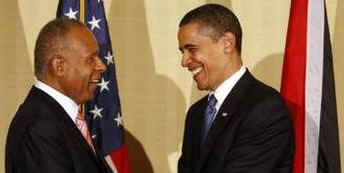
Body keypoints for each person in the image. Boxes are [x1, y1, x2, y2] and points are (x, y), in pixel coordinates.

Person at [177, 4, 294, 173]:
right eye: (182, 51)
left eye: (192, 49)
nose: (184, 61)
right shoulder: (196, 113)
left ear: (227, 43)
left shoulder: (265, 108)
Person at [5, 18, 112, 173]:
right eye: (91, 59)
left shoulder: (59, 118)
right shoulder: (38, 128)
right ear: (59, 66)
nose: (101, 66)